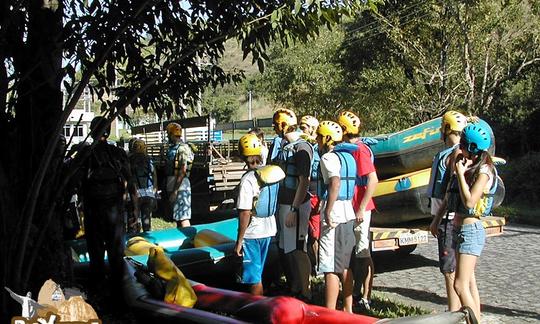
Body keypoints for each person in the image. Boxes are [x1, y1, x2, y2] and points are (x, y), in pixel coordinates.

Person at [434, 122, 497, 321]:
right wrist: (436, 220)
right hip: (458, 228)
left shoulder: (484, 171)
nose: (459, 147)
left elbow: (470, 201)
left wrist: (460, 174)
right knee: (468, 282)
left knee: (460, 285)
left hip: (471, 231)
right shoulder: (468, 164)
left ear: (472, 148)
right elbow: (449, 196)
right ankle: (474, 320)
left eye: (463, 144)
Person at [76, 116, 138, 301]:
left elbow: (77, 183)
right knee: (116, 253)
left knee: (95, 253)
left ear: (92, 131)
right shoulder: (117, 153)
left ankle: (97, 294)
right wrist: (135, 208)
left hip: (93, 210)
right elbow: (131, 182)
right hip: (115, 211)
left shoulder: (84, 154)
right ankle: (119, 295)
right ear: (107, 131)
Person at [336, 111, 378, 311]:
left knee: (362, 252)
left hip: (359, 209)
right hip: (351, 207)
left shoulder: (359, 150)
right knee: (354, 251)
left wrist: (361, 207)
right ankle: (354, 292)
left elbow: (372, 179)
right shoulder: (353, 148)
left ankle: (365, 296)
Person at [234, 134, 284, 295]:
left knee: (253, 278)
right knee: (258, 273)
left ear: (243, 155)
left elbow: (245, 213)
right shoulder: (271, 173)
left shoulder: (248, 179)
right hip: (269, 230)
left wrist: (239, 240)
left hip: (253, 233)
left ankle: (257, 311)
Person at [271, 108, 313, 301]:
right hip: (284, 204)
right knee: (287, 248)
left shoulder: (301, 148)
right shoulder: (285, 146)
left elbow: (304, 181)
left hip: (295, 206)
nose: (274, 128)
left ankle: (305, 291)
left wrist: (294, 209)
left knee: (298, 249)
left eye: (276, 124)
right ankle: (295, 287)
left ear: (283, 124)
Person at [428, 111, 468, 311]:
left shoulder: (455, 154)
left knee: (449, 269)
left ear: (446, 129)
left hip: (447, 219)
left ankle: (454, 311)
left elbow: (451, 191)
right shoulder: (459, 152)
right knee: (456, 268)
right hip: (451, 218)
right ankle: (460, 309)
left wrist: (437, 219)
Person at [316, 120, 357, 312]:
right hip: (348, 213)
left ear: (326, 138)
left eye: (318, 136)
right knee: (345, 264)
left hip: (335, 217)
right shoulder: (349, 157)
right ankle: (348, 309)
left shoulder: (328, 158)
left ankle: (329, 312)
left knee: (329, 267)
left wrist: (327, 210)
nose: (317, 140)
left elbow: (335, 183)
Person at [299, 115, 321, 274]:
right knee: (307, 233)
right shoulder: (304, 146)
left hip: (315, 194)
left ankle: (318, 266)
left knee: (315, 234)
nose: (301, 130)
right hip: (306, 194)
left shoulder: (318, 150)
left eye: (304, 127)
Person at [164, 122, 194, 228]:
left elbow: (183, 170)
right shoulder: (173, 148)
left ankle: (189, 240)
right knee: (177, 217)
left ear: (172, 134)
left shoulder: (182, 149)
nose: (167, 136)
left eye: (168, 134)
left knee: (183, 217)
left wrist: (175, 191)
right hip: (174, 184)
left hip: (180, 187)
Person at [129, 139, 158, 232]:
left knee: (134, 221)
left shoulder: (130, 159)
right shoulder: (149, 159)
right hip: (148, 193)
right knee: (146, 222)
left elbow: (128, 176)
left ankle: (134, 240)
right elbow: (154, 175)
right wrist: (154, 189)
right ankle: (147, 240)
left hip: (135, 193)